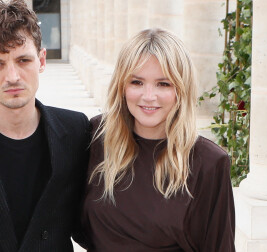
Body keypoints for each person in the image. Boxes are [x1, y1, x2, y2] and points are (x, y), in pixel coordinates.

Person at [82, 28, 235, 251]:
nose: (148, 96)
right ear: (122, 86)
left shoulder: (209, 162)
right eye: (137, 82)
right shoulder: (96, 137)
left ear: (180, 90)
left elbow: (219, 245)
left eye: (163, 84)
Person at [0, 0, 89, 252]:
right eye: (0, 63)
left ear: (41, 60)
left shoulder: (76, 130)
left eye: (23, 60)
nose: (12, 77)